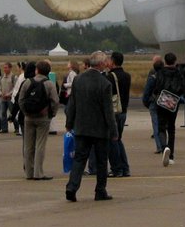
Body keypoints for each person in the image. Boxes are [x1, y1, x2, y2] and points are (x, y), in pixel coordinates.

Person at [64, 52, 116, 202]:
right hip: (100, 129)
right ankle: (100, 191)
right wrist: (113, 131)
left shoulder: (78, 80)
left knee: (79, 159)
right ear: (100, 64)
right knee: (101, 161)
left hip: (81, 127)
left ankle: (71, 187)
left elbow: (72, 104)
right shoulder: (105, 83)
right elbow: (108, 111)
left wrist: (69, 123)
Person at [19, 59, 58, 180]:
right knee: (40, 145)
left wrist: (26, 112)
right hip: (43, 118)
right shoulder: (49, 84)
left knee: (28, 146)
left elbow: (20, 100)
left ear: (37, 70)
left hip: (29, 117)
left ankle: (29, 173)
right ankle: (38, 173)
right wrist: (51, 114)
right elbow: (55, 101)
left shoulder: (27, 82)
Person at [149, 52, 184, 165]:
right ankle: (171, 154)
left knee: (161, 127)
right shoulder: (179, 73)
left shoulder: (160, 72)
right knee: (171, 128)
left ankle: (164, 147)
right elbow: (182, 87)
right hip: (173, 102)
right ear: (175, 61)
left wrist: (155, 94)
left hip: (162, 101)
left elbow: (157, 86)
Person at [107, 51, 131, 177]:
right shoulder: (127, 75)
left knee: (112, 140)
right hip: (124, 110)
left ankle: (117, 168)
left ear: (113, 61)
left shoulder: (110, 76)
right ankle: (125, 167)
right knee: (118, 139)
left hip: (114, 111)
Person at [0, 62, 15, 133]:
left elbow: (15, 87)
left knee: (13, 113)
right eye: (4, 68)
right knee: (3, 113)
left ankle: (16, 127)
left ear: (10, 68)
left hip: (10, 99)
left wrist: (9, 94)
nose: (4, 69)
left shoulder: (13, 77)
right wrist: (0, 93)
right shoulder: (1, 77)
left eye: (6, 68)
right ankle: (4, 128)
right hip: (2, 99)